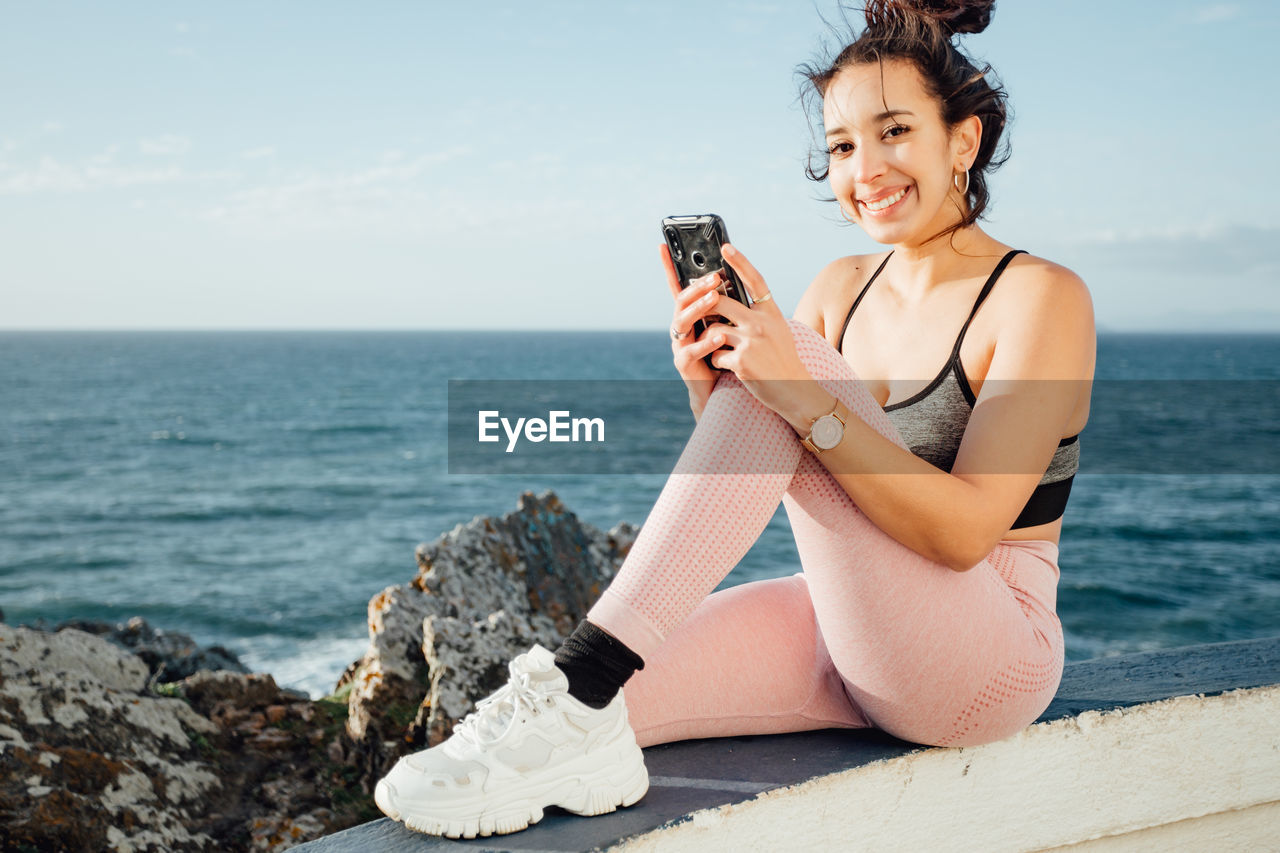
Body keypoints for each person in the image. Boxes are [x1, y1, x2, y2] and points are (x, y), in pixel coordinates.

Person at [375, 0, 1095, 839]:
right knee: (606, 700)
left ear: (961, 140)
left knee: (787, 356)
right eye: (841, 146)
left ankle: (575, 681)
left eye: (894, 132)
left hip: (987, 652)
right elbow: (773, 460)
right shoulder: (840, 287)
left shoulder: (1040, 297)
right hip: (853, 626)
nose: (866, 169)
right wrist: (711, 386)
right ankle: (557, 717)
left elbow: (968, 532)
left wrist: (794, 386)